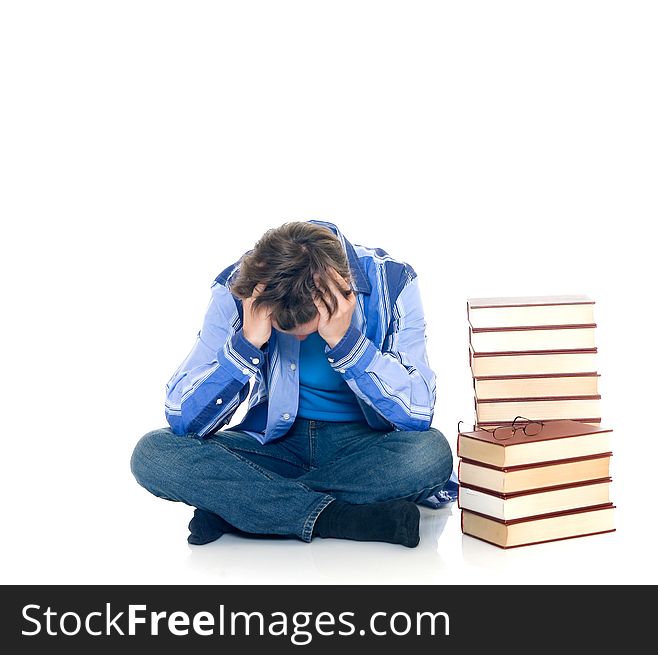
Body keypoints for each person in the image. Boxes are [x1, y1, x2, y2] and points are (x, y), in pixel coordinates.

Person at [130, 220, 456, 548]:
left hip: (364, 450)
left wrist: (347, 344)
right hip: (276, 444)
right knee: (155, 453)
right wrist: (247, 344)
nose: (299, 337)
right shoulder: (239, 287)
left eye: (308, 326)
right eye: (283, 326)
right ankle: (337, 517)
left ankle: (241, 507)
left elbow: (418, 412)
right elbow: (182, 415)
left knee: (429, 454)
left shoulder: (393, 281)